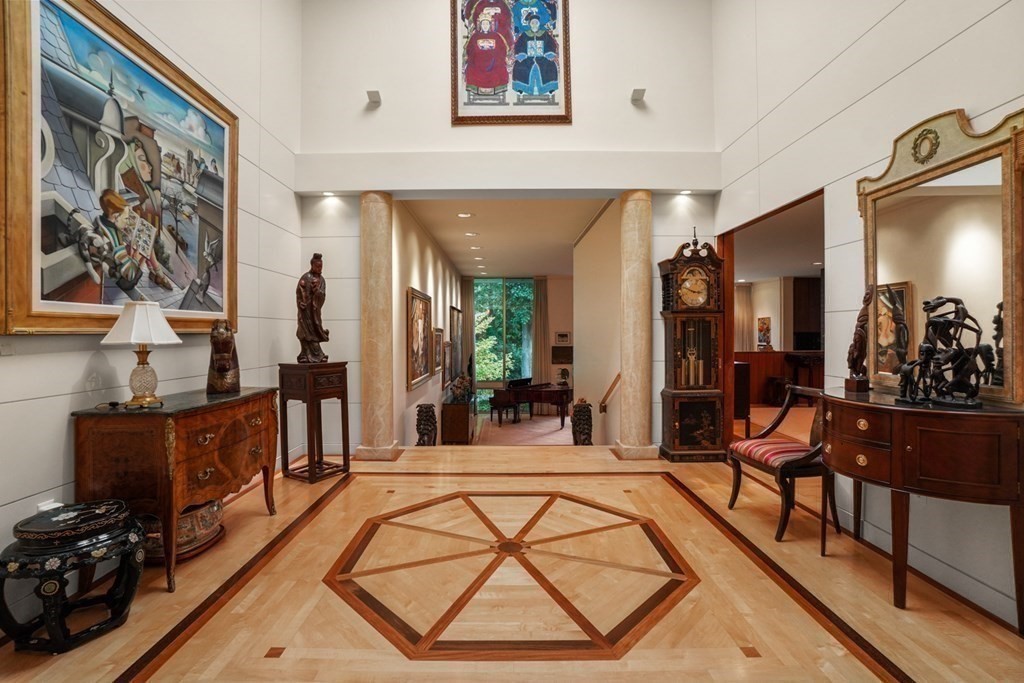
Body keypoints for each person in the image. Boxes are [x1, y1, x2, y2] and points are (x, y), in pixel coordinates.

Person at [512, 15, 559, 98]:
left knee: (550, 65)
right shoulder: (524, 34)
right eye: (532, 22)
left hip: (543, 57)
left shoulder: (545, 34)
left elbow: (551, 44)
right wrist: (522, 53)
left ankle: (549, 88)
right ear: (530, 24)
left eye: (536, 22)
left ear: (538, 24)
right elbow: (518, 45)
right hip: (527, 58)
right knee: (519, 66)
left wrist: (548, 53)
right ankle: (521, 88)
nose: (534, 24)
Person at [464, 17, 512, 96]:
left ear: (490, 25)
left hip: (494, 62)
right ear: (480, 25)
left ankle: (496, 88)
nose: (485, 26)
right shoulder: (475, 36)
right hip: (478, 62)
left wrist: (497, 58)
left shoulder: (497, 36)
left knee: (500, 67)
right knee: (471, 68)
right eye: (483, 24)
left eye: (487, 24)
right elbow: (469, 50)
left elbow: (502, 50)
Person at [296, 253, 330, 363]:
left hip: (314, 311)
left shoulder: (322, 280)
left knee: (315, 330)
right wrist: (300, 302)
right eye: (318, 266)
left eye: (321, 266)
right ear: (312, 265)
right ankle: (306, 354)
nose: (320, 269)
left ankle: (317, 355)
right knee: (305, 331)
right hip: (305, 312)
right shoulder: (305, 277)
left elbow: (323, 296)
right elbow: (299, 293)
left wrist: (317, 292)